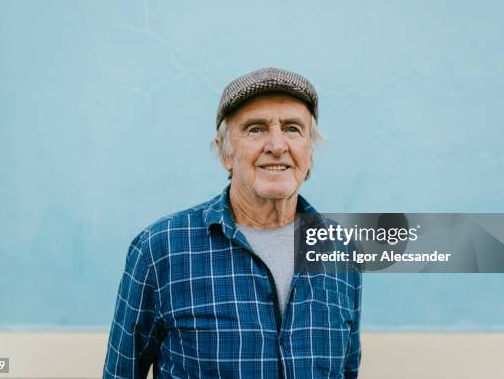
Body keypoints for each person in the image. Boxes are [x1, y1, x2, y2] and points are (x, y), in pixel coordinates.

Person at [103, 67, 362, 378]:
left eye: (293, 129)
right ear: (227, 153)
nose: (277, 146)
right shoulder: (160, 250)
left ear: (309, 152)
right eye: (256, 129)